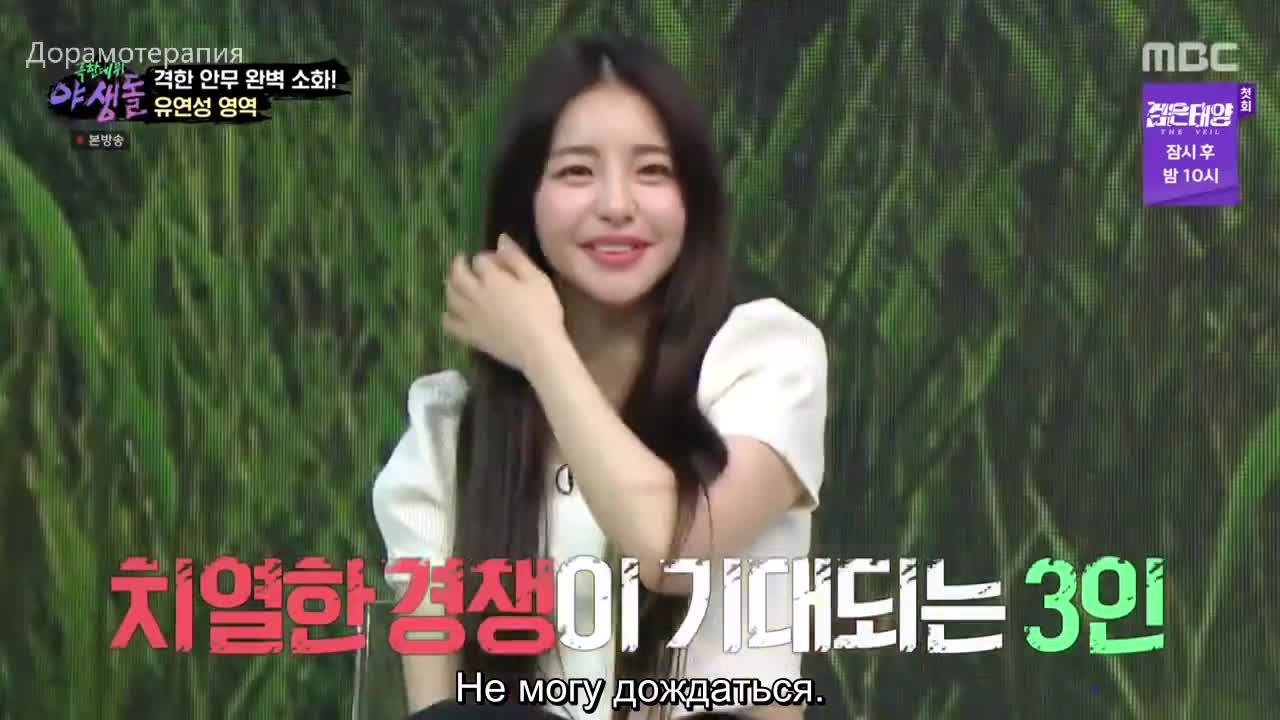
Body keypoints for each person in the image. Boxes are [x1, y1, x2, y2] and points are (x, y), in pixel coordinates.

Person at [372, 34, 828, 720]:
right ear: (526, 199)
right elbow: (438, 712)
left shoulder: (764, 360)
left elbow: (674, 552)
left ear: (693, 200)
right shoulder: (449, 435)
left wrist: (541, 350)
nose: (617, 204)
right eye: (577, 172)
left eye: (653, 171)